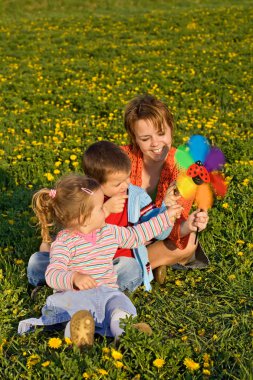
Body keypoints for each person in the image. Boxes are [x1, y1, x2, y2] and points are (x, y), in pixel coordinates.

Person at [18, 173, 182, 346]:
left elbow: (137, 235)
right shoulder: (64, 242)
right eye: (99, 207)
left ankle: (124, 334)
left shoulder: (109, 231)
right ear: (83, 218)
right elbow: (53, 274)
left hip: (106, 293)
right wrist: (73, 277)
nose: (105, 208)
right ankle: (76, 335)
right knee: (76, 313)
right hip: (75, 296)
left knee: (118, 305)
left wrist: (165, 218)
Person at [27, 141, 176, 292]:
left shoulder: (132, 200)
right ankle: (64, 285)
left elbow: (142, 234)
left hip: (111, 264)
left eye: (128, 177)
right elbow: (74, 229)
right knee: (37, 261)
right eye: (118, 184)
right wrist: (106, 210)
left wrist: (166, 214)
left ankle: (99, 290)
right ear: (96, 183)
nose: (127, 184)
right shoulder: (84, 199)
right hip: (77, 264)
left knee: (131, 268)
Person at [121, 94, 210, 283]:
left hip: (158, 235)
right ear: (134, 139)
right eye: (145, 138)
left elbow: (176, 224)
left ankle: (125, 269)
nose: (155, 144)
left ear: (171, 129)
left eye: (161, 134)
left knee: (188, 244)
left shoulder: (184, 167)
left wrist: (189, 224)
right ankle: (149, 265)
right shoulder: (121, 158)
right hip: (121, 233)